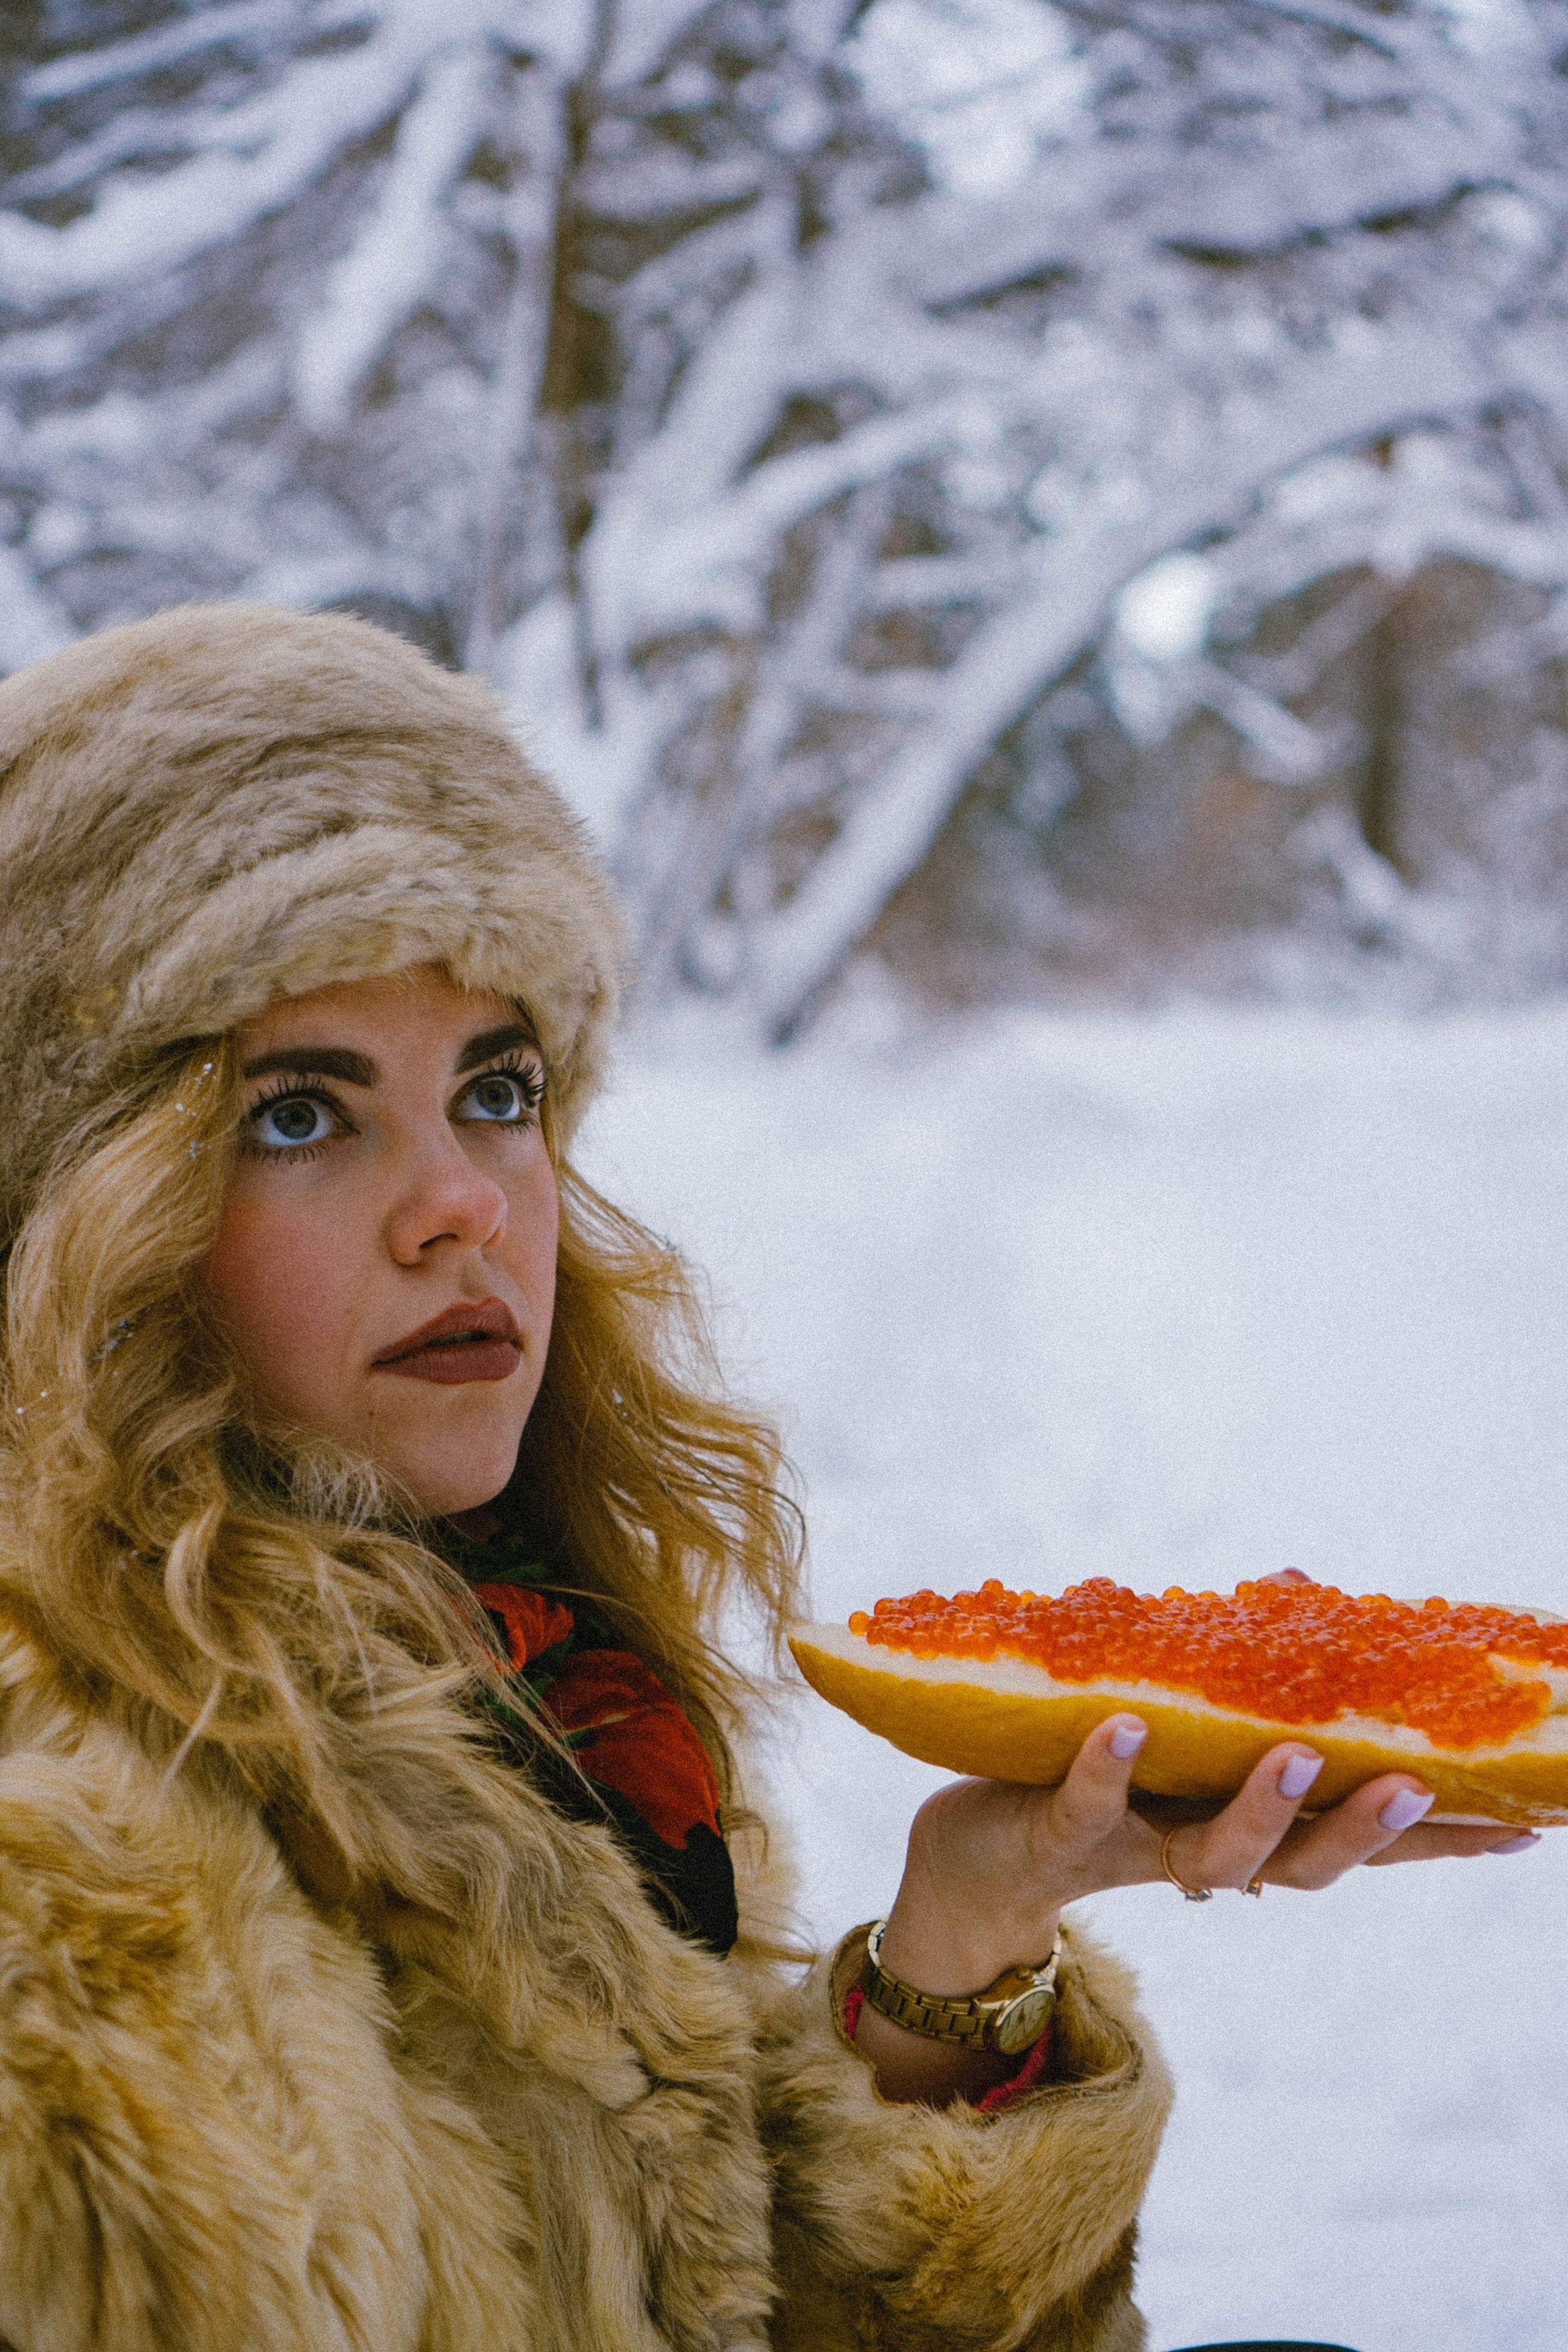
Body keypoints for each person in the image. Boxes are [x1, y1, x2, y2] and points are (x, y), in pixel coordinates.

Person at [0, 603, 1531, 2352]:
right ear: (82, 1219)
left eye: (497, 1089)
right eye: (300, 1112)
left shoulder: (521, 1671)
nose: (467, 1204)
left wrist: (966, 1946)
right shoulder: (78, 1902)